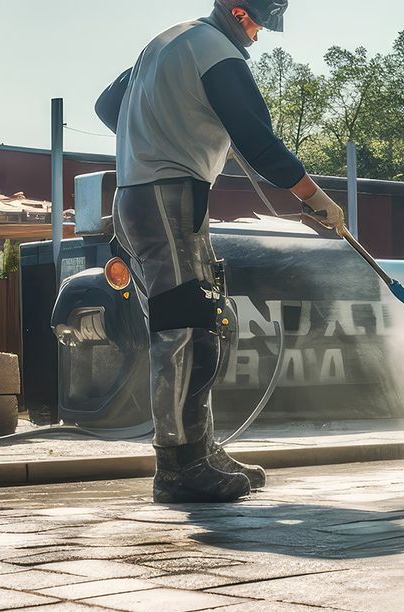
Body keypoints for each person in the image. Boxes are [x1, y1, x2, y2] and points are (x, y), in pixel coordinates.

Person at [94, 0, 346, 503]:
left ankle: (201, 449)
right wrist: (315, 199)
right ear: (236, 11)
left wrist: (172, 125)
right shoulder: (216, 52)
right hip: (167, 195)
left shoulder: (172, 40)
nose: (258, 34)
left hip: (154, 195)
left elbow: (106, 107)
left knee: (205, 319)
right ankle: (178, 465)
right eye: (256, 22)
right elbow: (259, 142)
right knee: (186, 330)